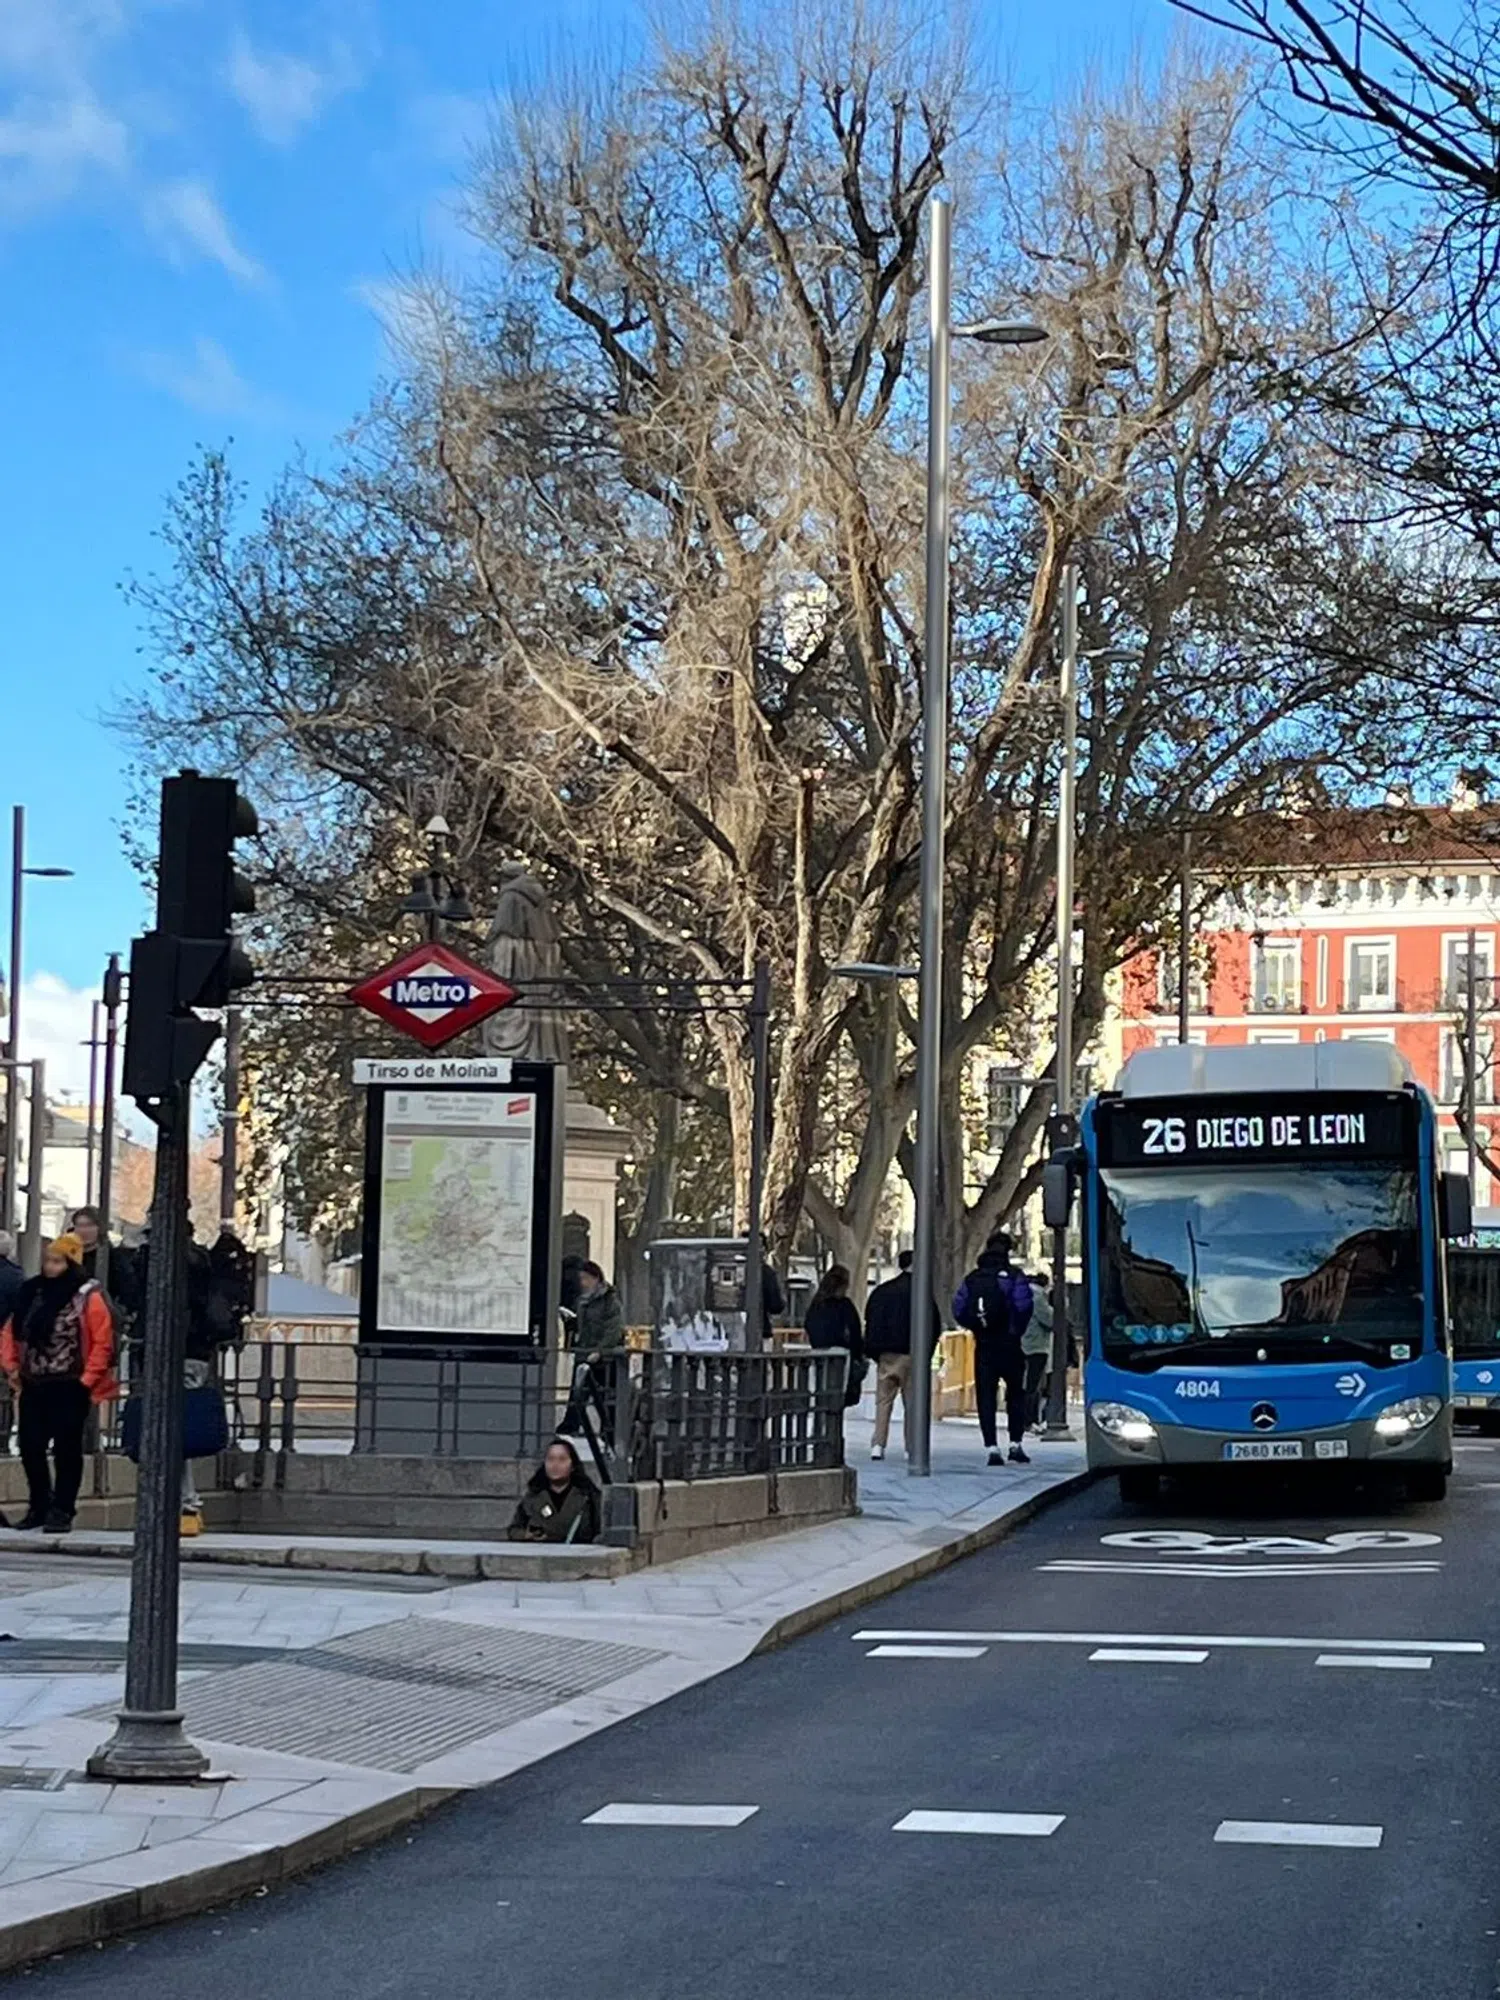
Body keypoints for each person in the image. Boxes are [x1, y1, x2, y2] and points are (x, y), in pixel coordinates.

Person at [0, 1233, 117, 1531]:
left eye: (57, 1261)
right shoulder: (32, 1292)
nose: (50, 1267)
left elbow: (102, 1341)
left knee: (67, 1448)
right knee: (30, 1446)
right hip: (34, 1381)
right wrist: (12, 1367)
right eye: (48, 1261)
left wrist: (87, 1381)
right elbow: (11, 1331)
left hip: (70, 1383)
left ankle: (62, 1509)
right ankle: (39, 1504)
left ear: (71, 1263)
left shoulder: (86, 1297)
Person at [953, 1231, 1034, 1467]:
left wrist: (978, 1327)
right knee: (1016, 1394)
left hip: (984, 1345)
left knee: (986, 1397)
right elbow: (1024, 1305)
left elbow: (958, 1308)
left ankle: (991, 1447)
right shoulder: (1013, 1276)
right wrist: (1015, 1329)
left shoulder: (973, 1278)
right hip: (1010, 1344)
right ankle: (1015, 1444)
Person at [863, 1251, 939, 1461]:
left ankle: (878, 1445)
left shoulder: (882, 1292)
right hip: (914, 1353)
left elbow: (871, 1321)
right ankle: (911, 1447)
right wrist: (927, 1353)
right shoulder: (922, 1292)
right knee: (912, 1404)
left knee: (883, 1401)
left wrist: (874, 1353)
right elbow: (934, 1324)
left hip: (887, 1355)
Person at [559, 1261, 626, 1436]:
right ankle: (571, 1425)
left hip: (602, 1358)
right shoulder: (582, 1301)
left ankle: (609, 1430)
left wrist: (601, 1350)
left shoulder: (610, 1302)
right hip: (585, 1352)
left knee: (603, 1397)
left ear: (596, 1278)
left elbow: (614, 1329)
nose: (583, 1283)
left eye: (586, 1278)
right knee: (579, 1394)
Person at [507, 1437, 601, 1544]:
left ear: (573, 1466)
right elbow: (513, 1530)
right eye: (550, 1459)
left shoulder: (588, 1497)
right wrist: (527, 1535)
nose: (555, 1465)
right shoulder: (533, 1496)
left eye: (562, 1459)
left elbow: (600, 1531)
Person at [803, 1265, 862, 1354]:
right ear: (844, 1285)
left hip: (818, 1353)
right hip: (842, 1354)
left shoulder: (816, 1305)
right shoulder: (845, 1305)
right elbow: (855, 1332)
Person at [1022, 1276, 1054, 1431]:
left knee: (1021, 1383)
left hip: (1020, 1343)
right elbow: (1050, 1320)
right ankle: (1030, 1420)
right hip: (1036, 1345)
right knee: (1033, 1385)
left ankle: (1020, 1419)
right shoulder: (1038, 1296)